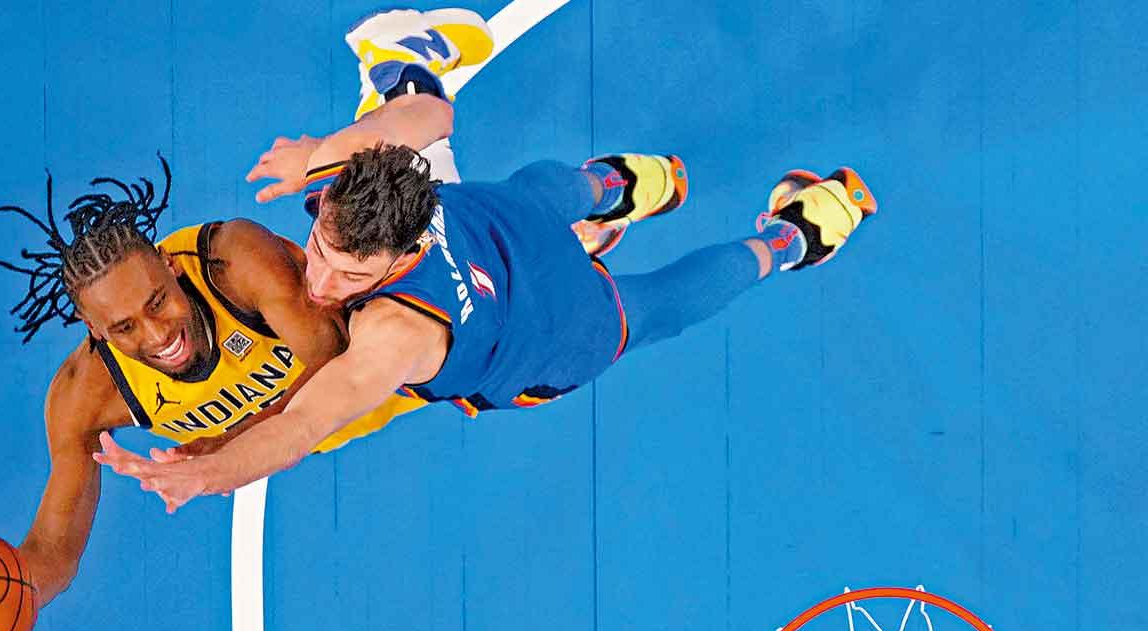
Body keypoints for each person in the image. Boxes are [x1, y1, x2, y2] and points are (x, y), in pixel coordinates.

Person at [0, 7, 498, 631]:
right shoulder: (83, 399)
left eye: (158, 302)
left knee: (426, 228)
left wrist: (234, 448)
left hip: (358, 339)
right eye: (124, 328)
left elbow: (335, 361)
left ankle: (403, 76)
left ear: (172, 268)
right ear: (94, 331)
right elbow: (51, 555)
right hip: (318, 406)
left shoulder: (238, 262)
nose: (158, 335)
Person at [92, 13, 877, 512]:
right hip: (504, 225)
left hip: (555, 329)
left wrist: (209, 473)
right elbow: (431, 112)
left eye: (351, 277)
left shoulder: (396, 333)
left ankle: (797, 234)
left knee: (658, 306)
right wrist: (316, 154)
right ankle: (635, 186)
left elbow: (304, 424)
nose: (319, 282)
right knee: (549, 189)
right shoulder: (360, 179)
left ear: (403, 252)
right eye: (322, 251)